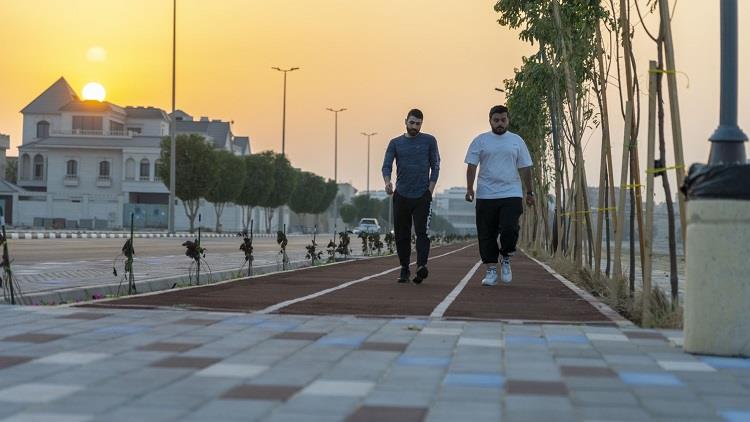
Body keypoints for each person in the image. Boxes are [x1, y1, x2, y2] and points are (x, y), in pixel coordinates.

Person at [464, 105, 535, 286]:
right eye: (496, 120)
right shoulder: (480, 141)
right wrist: (470, 189)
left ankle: (505, 256)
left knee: (510, 228)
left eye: (503, 120)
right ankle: (490, 270)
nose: (500, 123)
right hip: (486, 194)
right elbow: (471, 166)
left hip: (511, 193)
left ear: (508, 120)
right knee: (486, 234)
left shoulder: (516, 141)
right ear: (490, 121)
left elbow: (525, 167)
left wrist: (530, 191)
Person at [382, 109, 441, 284]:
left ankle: (421, 266)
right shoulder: (395, 143)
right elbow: (386, 166)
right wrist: (387, 182)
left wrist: (430, 190)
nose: (414, 126)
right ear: (405, 121)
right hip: (401, 195)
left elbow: (435, 166)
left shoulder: (429, 141)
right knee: (402, 235)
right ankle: (404, 269)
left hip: (422, 195)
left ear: (421, 124)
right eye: (412, 123)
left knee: (422, 233)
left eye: (418, 124)